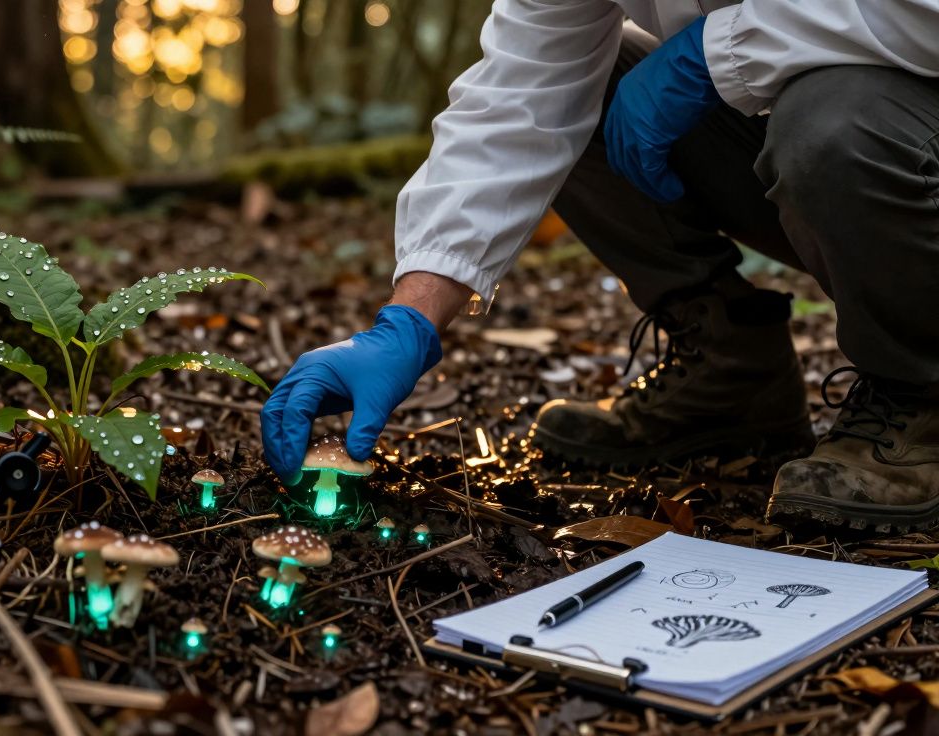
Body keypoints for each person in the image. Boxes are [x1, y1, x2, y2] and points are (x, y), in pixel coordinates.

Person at [260, 1, 939, 534]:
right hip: (816, 135)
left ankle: (920, 396)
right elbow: (519, 100)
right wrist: (406, 320)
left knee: (833, 124)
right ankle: (732, 376)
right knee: (597, 84)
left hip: (891, 133)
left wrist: (717, 53)